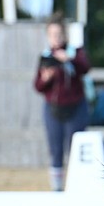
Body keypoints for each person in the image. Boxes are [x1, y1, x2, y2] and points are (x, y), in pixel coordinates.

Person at [33, 13, 90, 191]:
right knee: (55, 149)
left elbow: (85, 68)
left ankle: (77, 186)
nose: (55, 38)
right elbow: (38, 86)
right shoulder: (45, 57)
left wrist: (68, 59)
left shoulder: (75, 52)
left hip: (76, 107)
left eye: (58, 34)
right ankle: (57, 190)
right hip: (53, 109)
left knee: (74, 150)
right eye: (51, 35)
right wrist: (46, 78)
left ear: (64, 35)